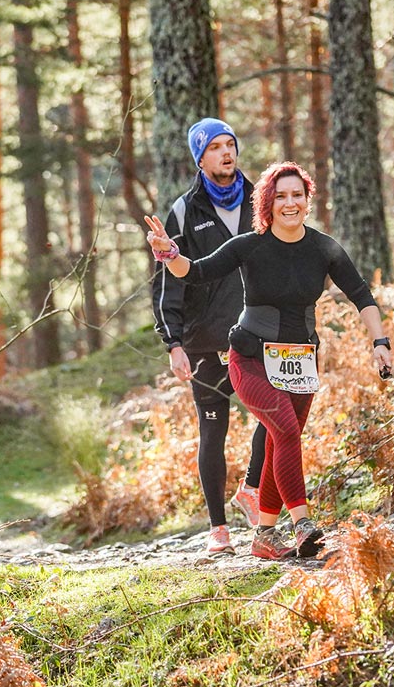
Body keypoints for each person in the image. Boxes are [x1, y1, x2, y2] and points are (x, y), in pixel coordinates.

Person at [145, 161, 393, 560]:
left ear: (307, 200)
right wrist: (169, 252)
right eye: (281, 196)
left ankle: (263, 533)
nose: (290, 203)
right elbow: (194, 272)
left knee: (283, 438)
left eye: (297, 195)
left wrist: (379, 341)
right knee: (286, 430)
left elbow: (362, 295)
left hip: (302, 362)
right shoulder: (249, 245)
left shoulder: (324, 248)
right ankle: (303, 522)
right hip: (249, 358)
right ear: (268, 202)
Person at [150, 117, 268, 556]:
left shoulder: (262, 200)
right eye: (215, 147)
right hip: (204, 340)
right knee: (213, 430)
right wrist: (173, 343)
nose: (226, 153)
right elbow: (168, 280)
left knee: (275, 419)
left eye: (230, 144)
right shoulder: (183, 211)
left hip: (259, 333)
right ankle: (218, 529)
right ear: (200, 157)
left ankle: (253, 490)